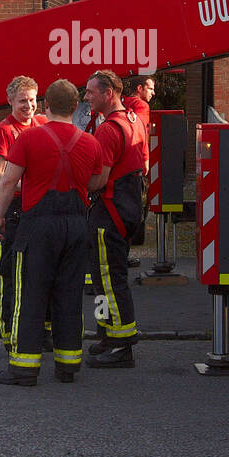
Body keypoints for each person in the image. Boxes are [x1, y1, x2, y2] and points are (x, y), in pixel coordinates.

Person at [0, 78, 102, 386]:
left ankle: (24, 369)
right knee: (69, 296)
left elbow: (8, 181)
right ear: (76, 107)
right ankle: (68, 366)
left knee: (31, 294)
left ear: (46, 106)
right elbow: (95, 183)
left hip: (38, 226)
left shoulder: (29, 139)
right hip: (77, 227)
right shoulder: (91, 142)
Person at [83, 69, 146, 368]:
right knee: (100, 278)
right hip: (129, 208)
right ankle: (107, 335)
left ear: (108, 93)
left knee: (108, 280)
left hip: (109, 212)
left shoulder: (108, 130)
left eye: (90, 92)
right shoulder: (134, 120)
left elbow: (98, 180)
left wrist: (72, 184)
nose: (85, 97)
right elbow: (142, 166)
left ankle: (121, 347)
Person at [0, 76, 46, 349]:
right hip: (14, 209)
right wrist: (29, 184)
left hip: (39, 210)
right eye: (23, 100)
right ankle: (9, 335)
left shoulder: (43, 124)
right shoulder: (4, 131)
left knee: (39, 273)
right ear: (10, 101)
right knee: (8, 273)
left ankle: (41, 332)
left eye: (33, 99)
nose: (29, 106)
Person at [122, 75, 155, 255]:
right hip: (136, 166)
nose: (153, 92)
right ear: (140, 88)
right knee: (137, 210)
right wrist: (146, 162)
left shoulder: (122, 103)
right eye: (150, 88)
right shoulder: (142, 106)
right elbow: (140, 133)